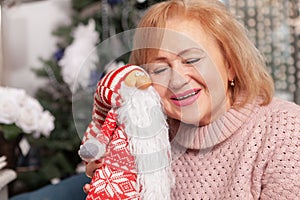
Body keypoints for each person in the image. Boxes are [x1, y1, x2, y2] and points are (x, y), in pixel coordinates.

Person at [85, 0, 300, 199]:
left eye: (192, 59)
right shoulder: (146, 139)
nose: (177, 81)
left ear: (230, 65)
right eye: (160, 68)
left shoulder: (284, 128)